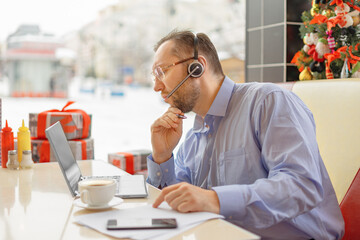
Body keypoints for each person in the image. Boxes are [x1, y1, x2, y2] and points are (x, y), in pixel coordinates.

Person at [147, 29, 344, 240]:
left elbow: (301, 186)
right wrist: (163, 156)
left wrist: (214, 200)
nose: (157, 86)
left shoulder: (268, 102)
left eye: (162, 71)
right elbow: (174, 203)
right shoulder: (193, 135)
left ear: (197, 67)